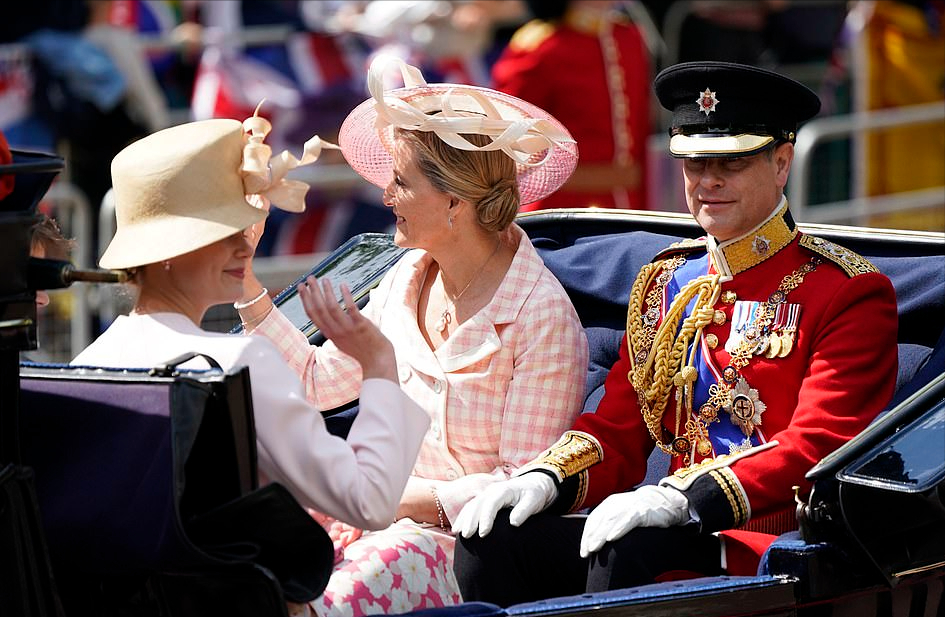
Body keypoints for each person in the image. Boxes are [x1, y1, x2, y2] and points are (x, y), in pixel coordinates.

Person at [451, 61, 900, 605]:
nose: (707, 180)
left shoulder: (846, 290)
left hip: (761, 542)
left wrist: (681, 497)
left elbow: (816, 445)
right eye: (693, 163)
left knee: (627, 547)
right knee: (491, 538)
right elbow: (619, 426)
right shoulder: (667, 281)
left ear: (781, 163)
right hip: (664, 525)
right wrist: (546, 478)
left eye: (730, 163)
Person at [235, 54, 589, 614]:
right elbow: (315, 381)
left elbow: (524, 484)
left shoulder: (540, 315)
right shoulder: (405, 279)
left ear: (454, 201)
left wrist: (400, 501)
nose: (385, 197)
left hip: (466, 548)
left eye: (400, 182)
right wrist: (245, 278)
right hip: (375, 514)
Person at [70, 115, 431, 544]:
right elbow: (368, 502)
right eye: (223, 232)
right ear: (166, 251)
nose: (246, 245)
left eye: (243, 228)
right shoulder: (239, 363)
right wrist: (378, 364)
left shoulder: (87, 362)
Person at [490, 0, 651, 211]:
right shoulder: (541, 46)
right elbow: (508, 138)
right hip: (562, 207)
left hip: (629, 204)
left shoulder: (629, 37)